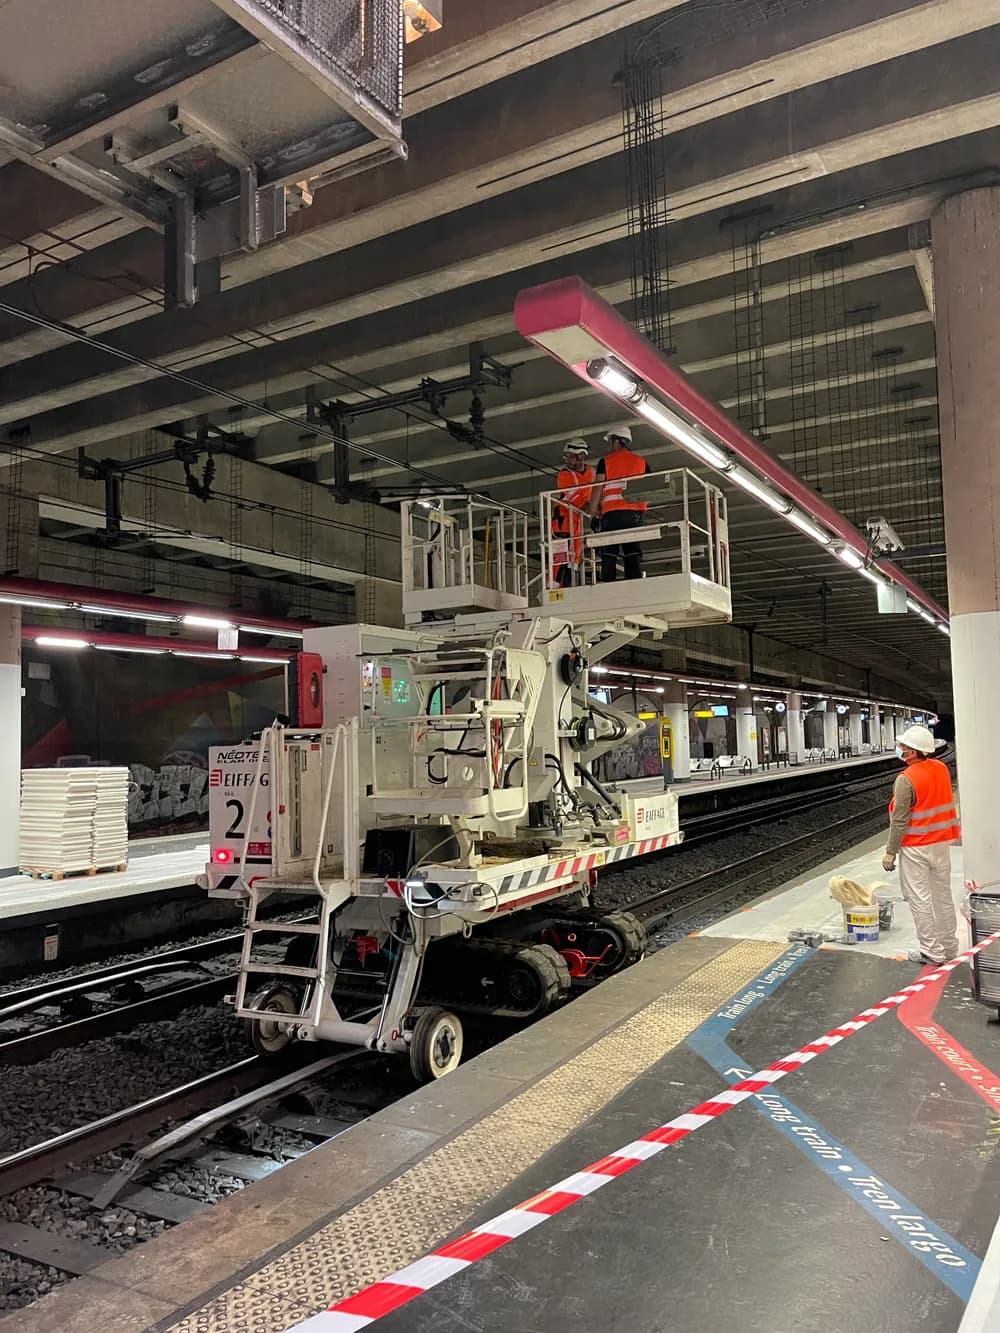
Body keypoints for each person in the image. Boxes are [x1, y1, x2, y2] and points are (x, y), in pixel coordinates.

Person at [881, 724, 961, 966]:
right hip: (941, 843)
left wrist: (890, 852)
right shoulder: (941, 768)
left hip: (916, 846)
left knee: (919, 899)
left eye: (903, 746)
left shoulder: (906, 780)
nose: (899, 748)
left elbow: (900, 820)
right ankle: (950, 947)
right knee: (942, 896)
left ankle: (931, 951)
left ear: (913, 752)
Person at [587, 426, 650, 581]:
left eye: (610, 442)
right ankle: (634, 583)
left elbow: (597, 487)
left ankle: (608, 583)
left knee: (609, 551)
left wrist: (593, 512)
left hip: (612, 514)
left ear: (616, 442)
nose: (609, 446)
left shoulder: (606, 461)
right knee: (632, 551)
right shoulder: (642, 462)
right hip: (634, 515)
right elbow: (649, 488)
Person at [551, 439, 595, 587]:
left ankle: (569, 587)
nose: (567, 460)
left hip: (577, 522)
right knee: (561, 559)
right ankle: (553, 588)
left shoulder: (591, 473)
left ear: (581, 456)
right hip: (563, 521)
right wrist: (598, 512)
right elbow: (579, 502)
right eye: (566, 456)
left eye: (570, 456)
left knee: (574, 559)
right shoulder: (564, 475)